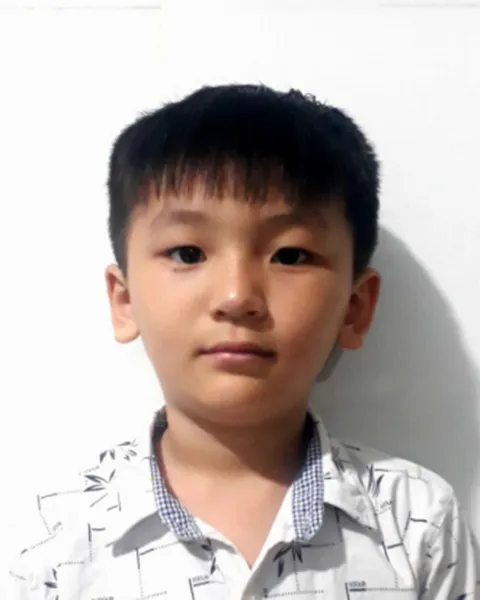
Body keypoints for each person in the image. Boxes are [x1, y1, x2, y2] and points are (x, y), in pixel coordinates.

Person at [3, 84, 478, 599]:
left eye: (289, 256)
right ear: (124, 301)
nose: (236, 296)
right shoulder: (52, 542)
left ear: (354, 308)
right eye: (187, 253)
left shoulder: (419, 522)